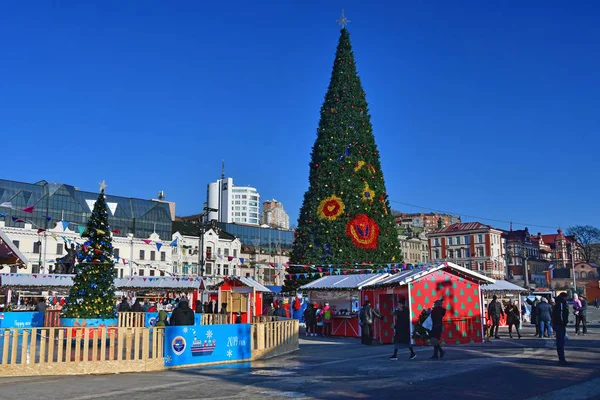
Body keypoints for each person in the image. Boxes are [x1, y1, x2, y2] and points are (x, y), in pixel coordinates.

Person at [552, 292, 570, 366]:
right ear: (564, 297)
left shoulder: (557, 302)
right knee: (560, 342)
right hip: (560, 324)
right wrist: (563, 322)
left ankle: (561, 359)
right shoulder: (561, 303)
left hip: (557, 324)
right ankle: (562, 360)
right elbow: (561, 314)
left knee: (561, 341)